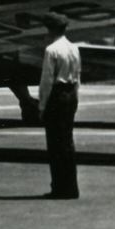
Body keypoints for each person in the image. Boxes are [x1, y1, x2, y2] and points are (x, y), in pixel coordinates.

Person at [38, 13, 81, 200]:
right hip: (71, 94)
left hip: (57, 95)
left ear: (51, 29)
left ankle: (59, 188)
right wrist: (75, 98)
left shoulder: (51, 50)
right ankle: (71, 187)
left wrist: (42, 106)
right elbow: (78, 76)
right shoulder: (74, 48)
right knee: (68, 142)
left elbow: (46, 81)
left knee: (55, 144)